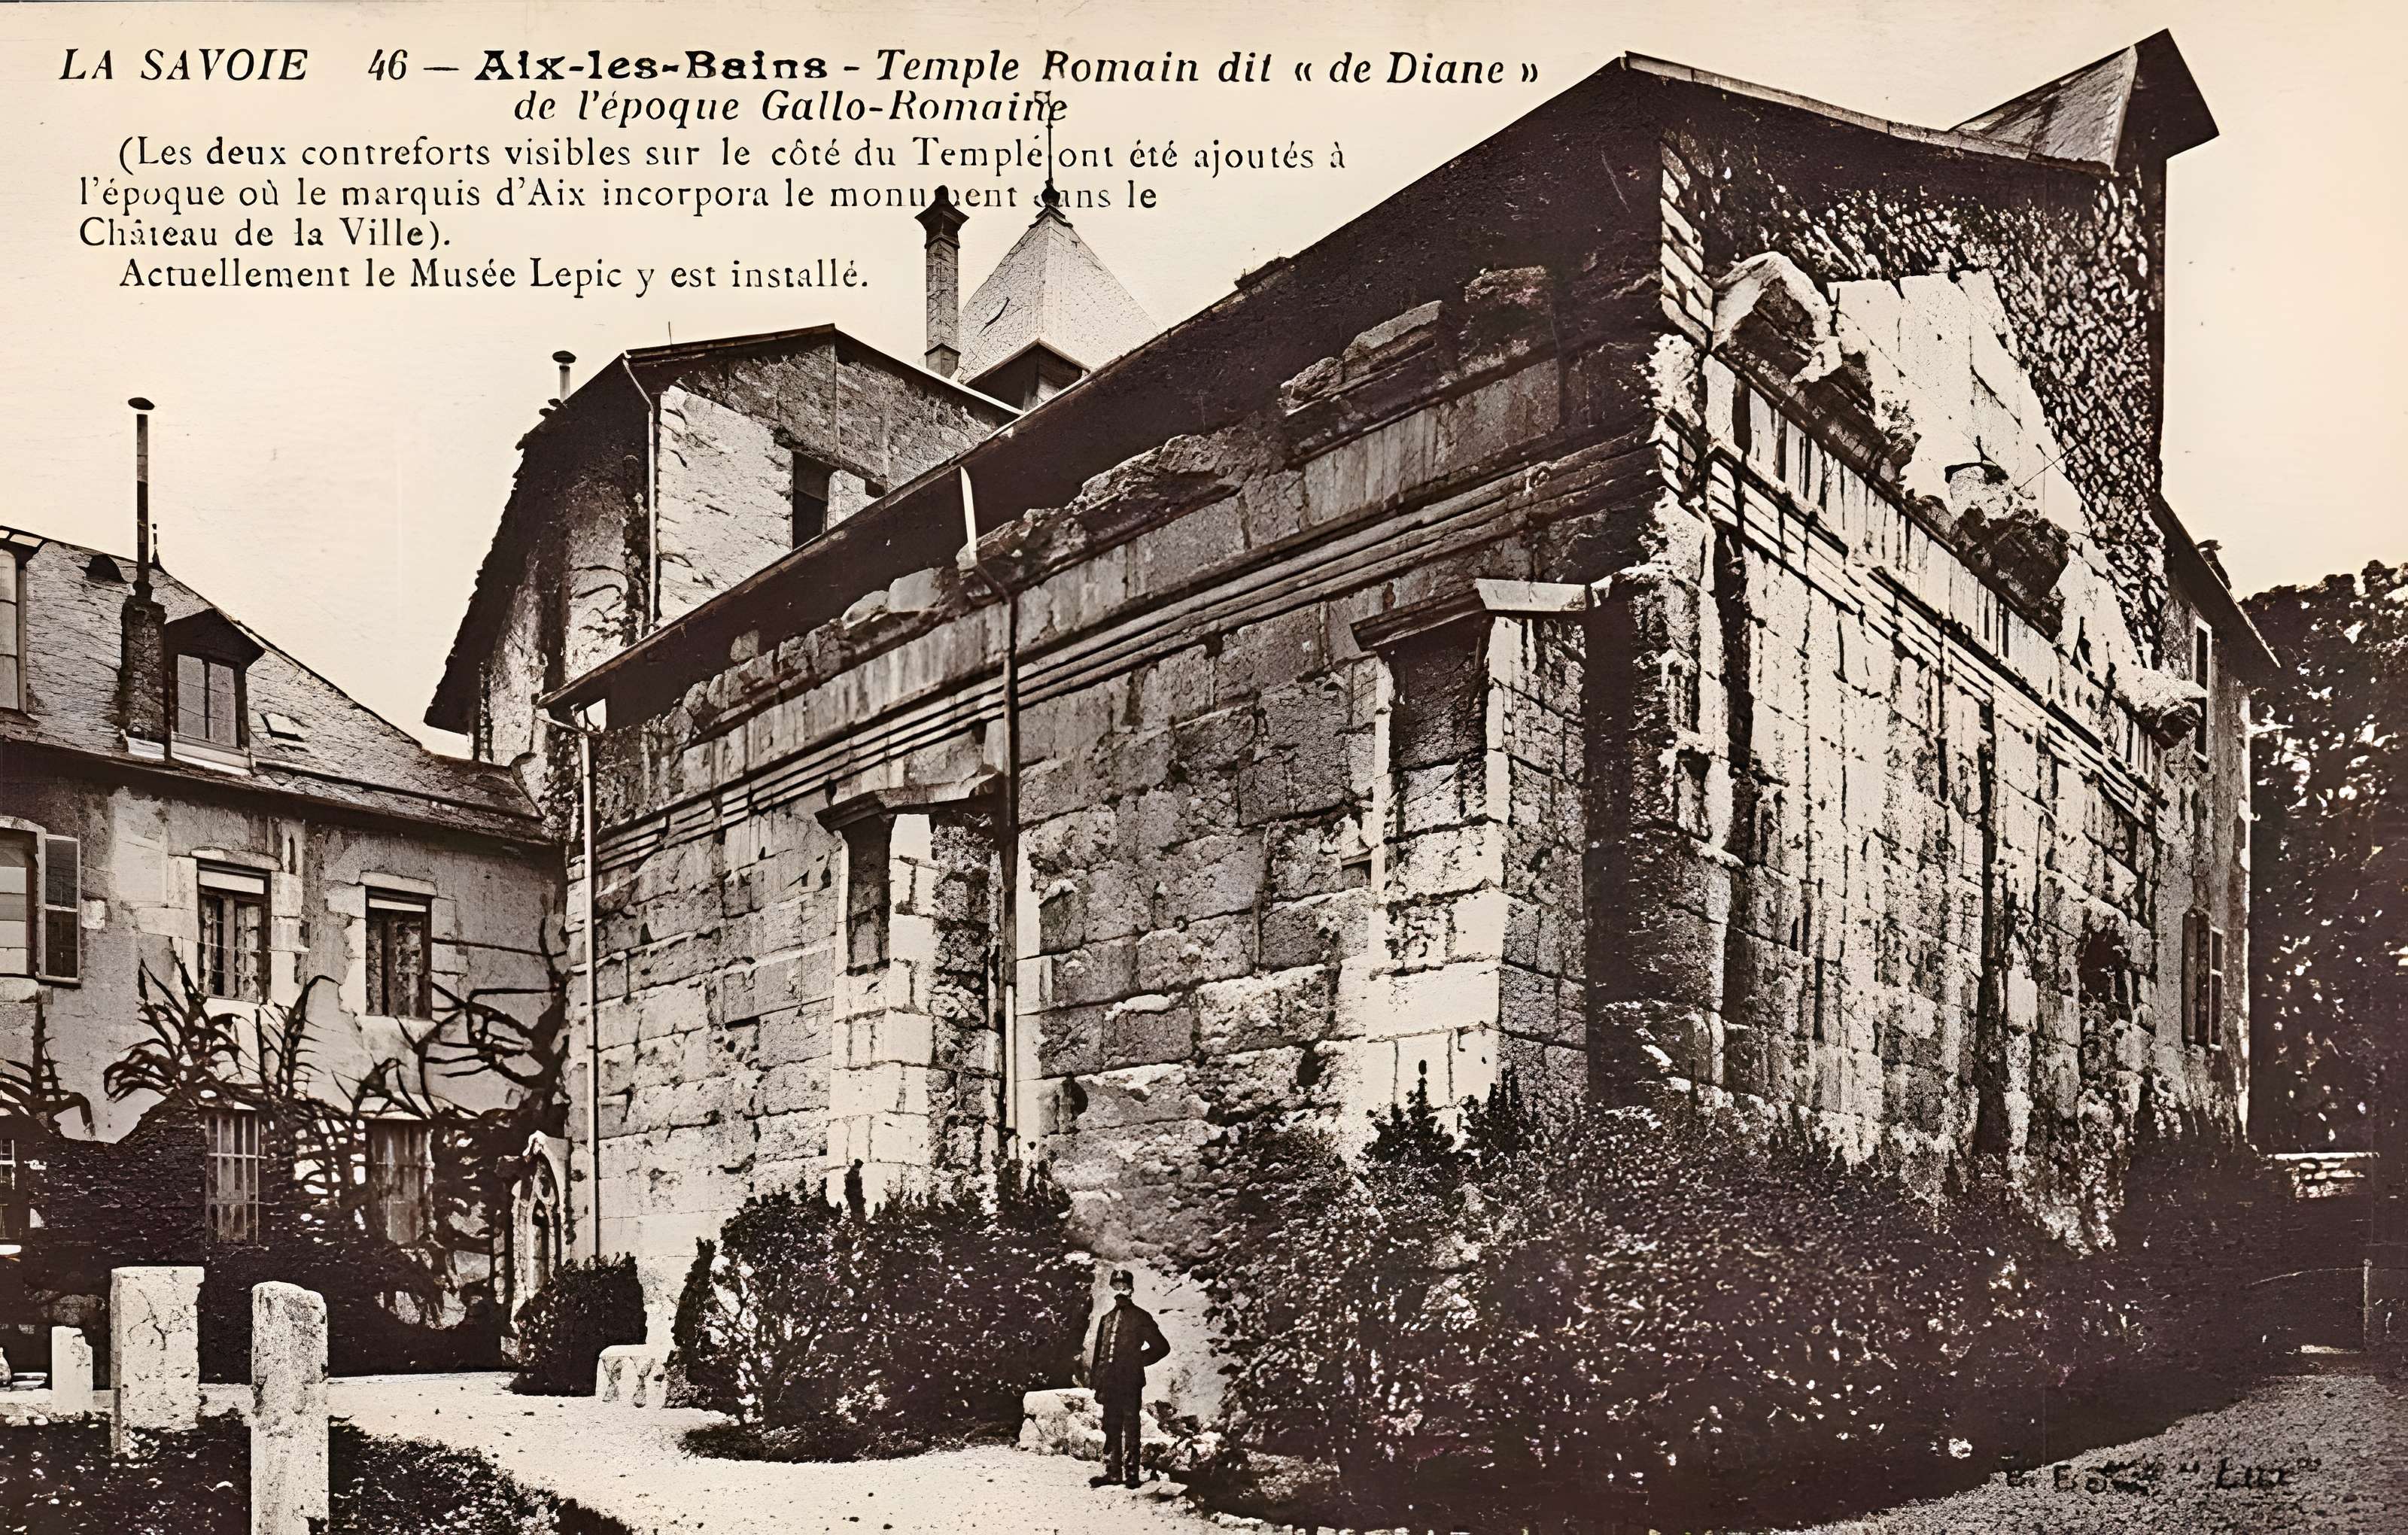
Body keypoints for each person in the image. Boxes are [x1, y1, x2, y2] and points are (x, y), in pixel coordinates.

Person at [1087, 1268, 1169, 1488]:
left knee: (1131, 1424)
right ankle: (1113, 1473)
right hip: (1109, 1382)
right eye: (1117, 1286)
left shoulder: (1141, 1317)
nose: (1121, 1290)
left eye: (1125, 1286)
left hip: (1130, 1381)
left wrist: (1136, 1361)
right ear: (1113, 1288)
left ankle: (1132, 1474)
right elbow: (1099, 1355)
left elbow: (1161, 1347)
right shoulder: (1107, 1319)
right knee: (1110, 1423)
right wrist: (1097, 1382)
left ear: (1131, 1289)